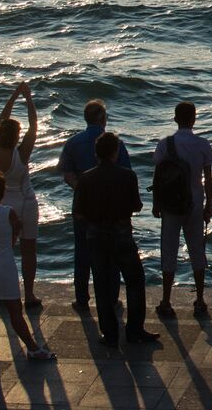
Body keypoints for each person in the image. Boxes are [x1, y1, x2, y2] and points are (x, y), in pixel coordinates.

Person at [74, 131, 158, 348]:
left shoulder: (85, 178)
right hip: (121, 234)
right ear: (115, 152)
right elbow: (137, 206)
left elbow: (78, 213)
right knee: (135, 281)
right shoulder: (127, 176)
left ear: (96, 153)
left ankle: (110, 334)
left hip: (95, 236)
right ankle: (135, 330)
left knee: (102, 285)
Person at [0, 171, 55, 361]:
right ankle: (32, 348)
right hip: (2, 264)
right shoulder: (8, 212)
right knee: (15, 310)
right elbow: (14, 235)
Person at [58, 98, 132, 311]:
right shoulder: (115, 144)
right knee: (112, 251)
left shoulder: (73, 142)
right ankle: (111, 297)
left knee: (82, 252)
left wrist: (83, 190)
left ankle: (82, 299)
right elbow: (125, 173)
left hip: (82, 205)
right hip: (110, 206)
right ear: (103, 119)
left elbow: (67, 175)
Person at [152, 101, 212, 318]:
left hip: (170, 204)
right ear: (194, 118)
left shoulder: (164, 144)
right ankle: (199, 299)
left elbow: (158, 177)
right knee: (197, 250)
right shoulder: (202, 144)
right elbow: (208, 179)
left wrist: (155, 203)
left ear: (175, 119)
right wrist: (209, 205)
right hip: (195, 202)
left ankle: (167, 300)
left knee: (168, 250)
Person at [0, 81, 41, 308]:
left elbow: (2, 120)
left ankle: (3, 291)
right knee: (28, 250)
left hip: (0, 203)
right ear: (16, 136)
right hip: (24, 202)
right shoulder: (21, 154)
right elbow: (34, 125)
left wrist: (13, 96)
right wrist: (28, 98)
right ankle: (29, 294)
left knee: (3, 250)